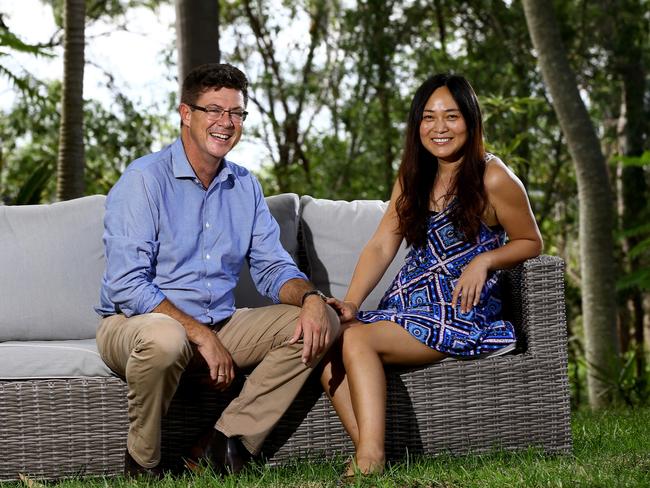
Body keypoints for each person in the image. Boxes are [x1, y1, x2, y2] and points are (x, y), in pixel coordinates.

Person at [95, 63, 340, 478]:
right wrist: (201, 335)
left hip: (219, 323)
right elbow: (127, 284)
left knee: (320, 322)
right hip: (135, 325)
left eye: (236, 113)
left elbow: (272, 267)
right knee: (166, 337)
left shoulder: (244, 186)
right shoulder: (143, 180)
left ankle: (221, 446)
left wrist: (312, 298)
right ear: (186, 114)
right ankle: (142, 465)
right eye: (214, 110)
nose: (226, 123)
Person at [320, 73, 543, 477]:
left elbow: (531, 241)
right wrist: (350, 303)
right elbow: (381, 245)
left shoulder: (494, 177)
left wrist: (484, 261)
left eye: (451, 116)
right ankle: (372, 453)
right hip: (408, 303)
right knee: (330, 340)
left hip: (459, 309)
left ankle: (369, 460)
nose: (439, 128)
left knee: (355, 338)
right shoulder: (413, 176)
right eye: (428, 117)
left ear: (471, 121)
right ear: (417, 125)